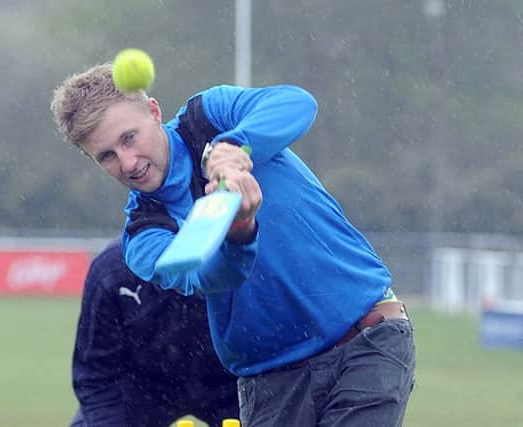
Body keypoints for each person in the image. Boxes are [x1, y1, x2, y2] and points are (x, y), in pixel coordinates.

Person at [51, 63, 416, 427]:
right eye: (107, 156)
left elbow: (297, 104)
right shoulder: (142, 236)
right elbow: (209, 277)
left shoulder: (209, 116)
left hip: (366, 338)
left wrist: (235, 146)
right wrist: (240, 231)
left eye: (129, 138)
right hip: (271, 381)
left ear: (154, 111)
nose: (128, 162)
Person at [68, 238, 238, 426]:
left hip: (228, 385)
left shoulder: (240, 259)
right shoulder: (113, 271)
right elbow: (97, 375)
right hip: (141, 387)